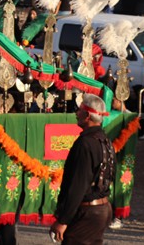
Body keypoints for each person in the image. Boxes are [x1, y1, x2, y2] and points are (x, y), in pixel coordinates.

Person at [50, 94, 115, 245]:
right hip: (102, 209)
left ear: (87, 116)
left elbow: (77, 186)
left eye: (79, 110)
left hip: (88, 212)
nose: (76, 114)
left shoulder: (85, 144)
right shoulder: (105, 141)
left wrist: (63, 220)